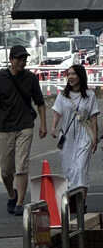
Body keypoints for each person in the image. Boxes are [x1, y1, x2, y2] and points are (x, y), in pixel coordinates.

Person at [0, 44, 47, 216]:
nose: (23, 61)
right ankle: (12, 194)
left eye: (24, 58)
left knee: (21, 166)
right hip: (5, 128)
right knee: (6, 170)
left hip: (25, 126)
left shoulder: (31, 78)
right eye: (19, 58)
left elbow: (40, 103)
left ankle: (20, 202)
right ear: (11, 60)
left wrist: (44, 125)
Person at [51, 62, 99, 205]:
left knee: (80, 168)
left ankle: (81, 202)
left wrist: (94, 138)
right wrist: (53, 128)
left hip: (85, 136)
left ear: (80, 76)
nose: (70, 77)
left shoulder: (90, 95)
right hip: (67, 137)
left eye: (73, 74)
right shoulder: (63, 95)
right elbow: (57, 113)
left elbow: (93, 118)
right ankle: (72, 201)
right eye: (69, 74)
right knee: (69, 169)